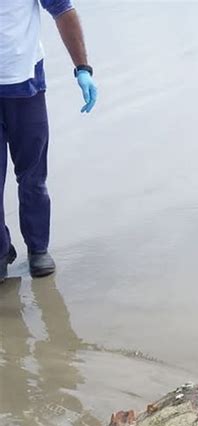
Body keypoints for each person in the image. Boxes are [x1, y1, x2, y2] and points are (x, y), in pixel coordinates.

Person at [0, 0, 97, 282]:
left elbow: (63, 10)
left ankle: (38, 248)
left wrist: (82, 68)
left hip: (25, 83)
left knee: (32, 176)